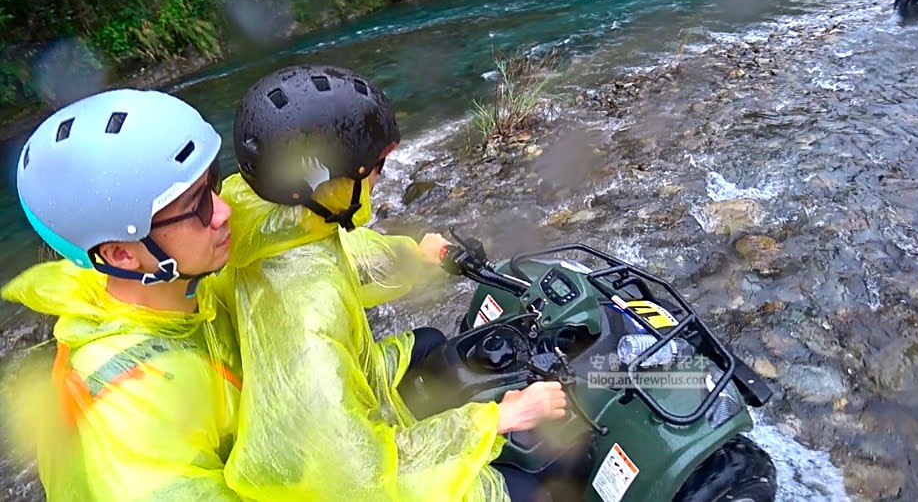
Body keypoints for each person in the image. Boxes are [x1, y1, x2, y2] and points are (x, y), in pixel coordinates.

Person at [211, 64, 567, 502]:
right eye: (375, 168)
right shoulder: (310, 318)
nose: (378, 178)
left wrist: (417, 259)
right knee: (535, 491)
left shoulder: (263, 213)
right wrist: (496, 419)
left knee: (432, 341)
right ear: (331, 185)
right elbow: (352, 474)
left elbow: (342, 258)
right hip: (324, 470)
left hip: (301, 413)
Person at [1, 89, 243, 500]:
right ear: (120, 254)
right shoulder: (129, 397)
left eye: (213, 182)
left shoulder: (181, 281)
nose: (223, 211)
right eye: (199, 205)